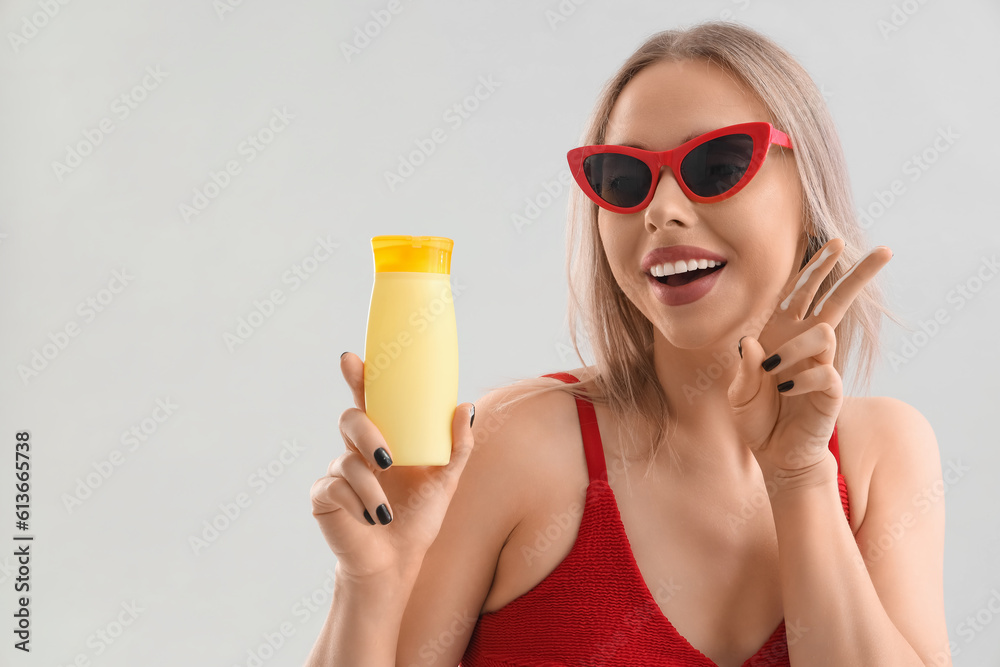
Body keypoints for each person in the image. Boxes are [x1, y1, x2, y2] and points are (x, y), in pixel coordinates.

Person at [306, 20, 951, 667]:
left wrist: (800, 477)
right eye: (623, 177)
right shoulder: (516, 444)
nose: (662, 209)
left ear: (808, 192)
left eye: (717, 165)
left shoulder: (881, 457)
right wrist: (367, 585)